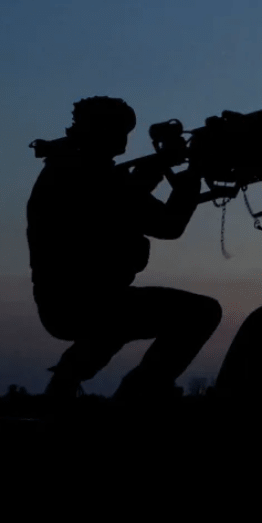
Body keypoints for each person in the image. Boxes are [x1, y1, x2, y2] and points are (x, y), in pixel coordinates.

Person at [26, 96, 222, 402]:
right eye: (120, 132)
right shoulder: (90, 177)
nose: (125, 142)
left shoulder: (68, 169)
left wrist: (158, 169)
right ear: (102, 132)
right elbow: (167, 224)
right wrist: (192, 175)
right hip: (86, 302)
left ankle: (63, 386)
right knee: (201, 313)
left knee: (114, 324)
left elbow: (119, 203)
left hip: (69, 302)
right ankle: (135, 398)